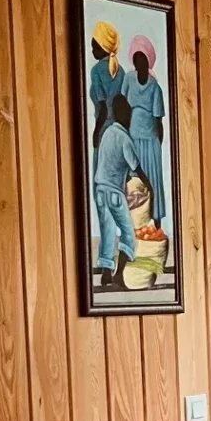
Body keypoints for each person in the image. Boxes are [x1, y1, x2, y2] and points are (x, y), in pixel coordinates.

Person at [91, 94, 140, 289]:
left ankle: (106, 274)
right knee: (128, 232)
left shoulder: (108, 133)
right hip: (114, 192)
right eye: (129, 114)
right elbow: (136, 166)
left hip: (100, 189)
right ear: (124, 115)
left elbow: (109, 162)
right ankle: (119, 274)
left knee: (108, 231)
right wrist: (149, 186)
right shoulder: (124, 138)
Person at [121, 37, 169, 226]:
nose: (139, 63)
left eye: (143, 59)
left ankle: (156, 222)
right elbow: (122, 105)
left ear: (149, 61)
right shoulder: (128, 79)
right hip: (133, 137)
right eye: (136, 59)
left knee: (153, 180)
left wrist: (158, 143)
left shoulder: (155, 87)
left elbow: (159, 120)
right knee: (134, 180)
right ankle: (133, 225)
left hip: (150, 140)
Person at [88, 20, 123, 151]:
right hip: (119, 129)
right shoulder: (121, 70)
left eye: (95, 47)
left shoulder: (96, 71)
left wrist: (96, 132)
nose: (92, 51)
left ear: (103, 47)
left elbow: (103, 108)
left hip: (103, 127)